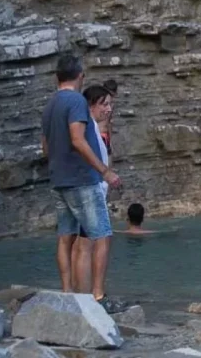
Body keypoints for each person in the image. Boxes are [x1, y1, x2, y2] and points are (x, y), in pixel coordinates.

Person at [41, 53, 121, 311]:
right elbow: (78, 140)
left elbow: (45, 147)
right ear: (80, 76)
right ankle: (98, 297)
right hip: (82, 180)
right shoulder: (76, 101)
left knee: (66, 237)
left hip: (59, 180)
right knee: (101, 237)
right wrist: (104, 171)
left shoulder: (50, 104)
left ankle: (68, 293)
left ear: (56, 77)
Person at [72, 84, 114, 294]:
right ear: (91, 105)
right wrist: (104, 176)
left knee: (82, 243)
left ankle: (82, 293)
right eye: (104, 104)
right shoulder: (88, 129)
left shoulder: (92, 128)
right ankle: (96, 295)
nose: (108, 109)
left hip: (88, 189)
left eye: (110, 104)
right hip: (92, 189)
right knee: (98, 241)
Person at [101, 79, 118, 155]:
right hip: (99, 135)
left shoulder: (111, 105)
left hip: (105, 136)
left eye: (110, 95)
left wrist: (110, 140)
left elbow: (109, 122)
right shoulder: (96, 103)